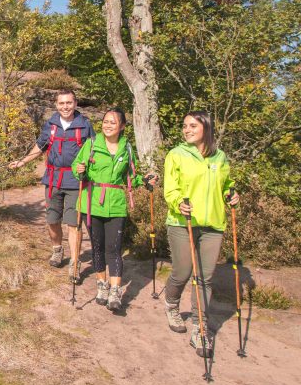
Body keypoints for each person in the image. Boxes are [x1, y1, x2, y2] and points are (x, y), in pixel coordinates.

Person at [162, 110, 240, 356]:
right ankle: (172, 305)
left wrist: (231, 194)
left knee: (205, 278)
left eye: (193, 126)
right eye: (185, 126)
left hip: (213, 224)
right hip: (181, 222)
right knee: (182, 271)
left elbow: (226, 184)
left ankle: (200, 327)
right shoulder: (176, 155)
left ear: (206, 127)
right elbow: (170, 189)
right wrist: (178, 203)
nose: (187, 130)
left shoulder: (220, 157)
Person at [71, 108, 157, 312]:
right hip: (91, 203)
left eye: (113, 122)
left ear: (122, 126)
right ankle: (102, 286)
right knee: (97, 246)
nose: (108, 125)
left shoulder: (126, 148)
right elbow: (77, 167)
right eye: (105, 121)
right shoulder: (92, 144)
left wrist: (144, 180)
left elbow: (131, 177)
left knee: (114, 248)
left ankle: (115, 290)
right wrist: (80, 171)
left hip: (116, 204)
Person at [9, 89, 94, 275]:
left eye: (69, 103)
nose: (65, 107)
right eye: (62, 103)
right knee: (52, 220)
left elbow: (93, 152)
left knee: (74, 224)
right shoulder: (51, 125)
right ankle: (57, 249)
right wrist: (22, 161)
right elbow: (40, 147)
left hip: (75, 182)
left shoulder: (85, 125)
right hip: (53, 180)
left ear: (75, 103)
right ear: (56, 105)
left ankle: (74, 262)